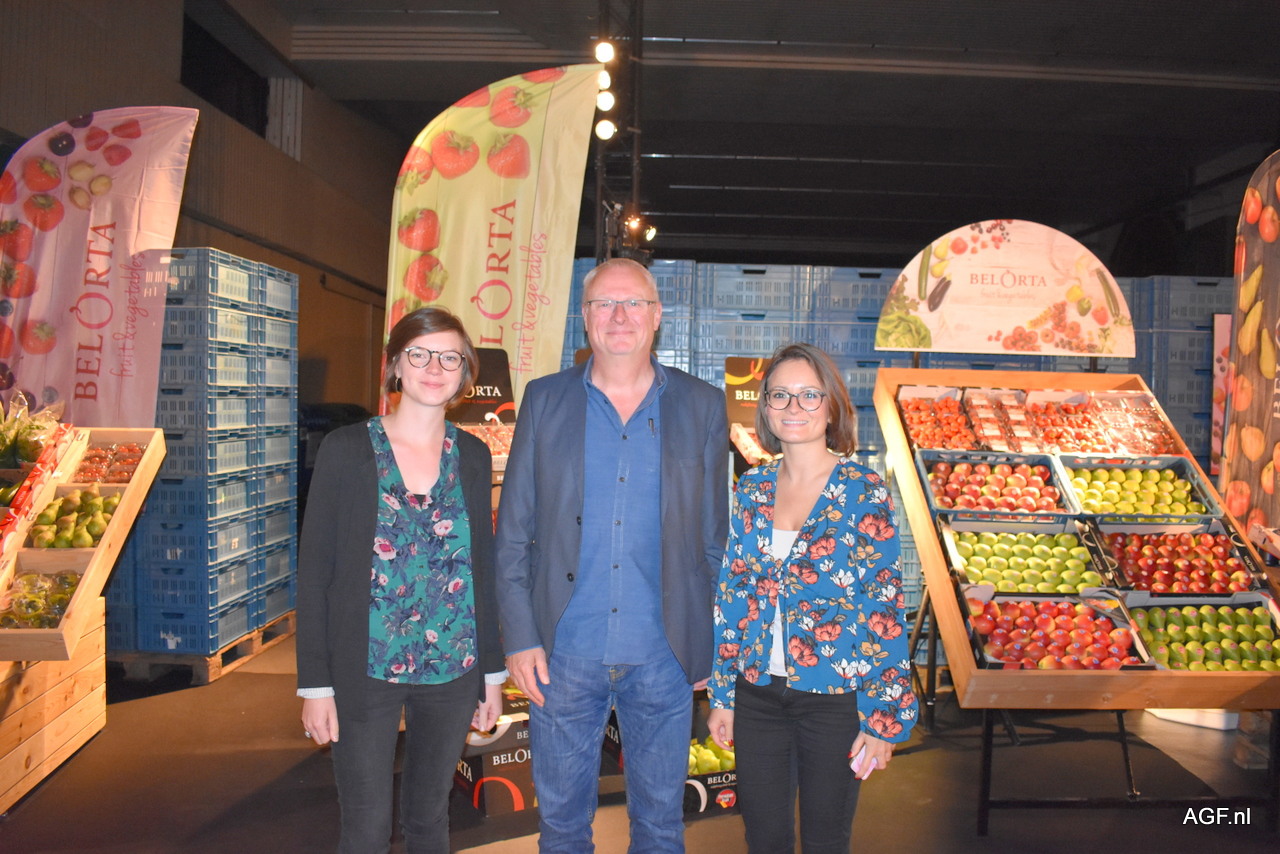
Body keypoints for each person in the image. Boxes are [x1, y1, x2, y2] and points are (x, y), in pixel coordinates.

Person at [495, 257, 730, 852]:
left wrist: (713, 646)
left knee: (660, 827)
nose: (619, 316)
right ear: (585, 317)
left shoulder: (702, 405)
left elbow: (713, 539)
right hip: (561, 655)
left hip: (665, 656)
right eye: (604, 303)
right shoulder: (544, 400)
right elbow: (514, 532)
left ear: (657, 316)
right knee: (562, 829)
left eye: (633, 303)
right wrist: (520, 638)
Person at [296, 307, 506, 854]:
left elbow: (481, 567)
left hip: (454, 666)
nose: (434, 368)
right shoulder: (346, 450)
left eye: (449, 357)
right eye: (419, 354)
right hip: (364, 667)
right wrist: (315, 685)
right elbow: (315, 570)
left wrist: (491, 673)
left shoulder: (473, 455)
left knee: (430, 818)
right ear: (394, 365)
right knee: (366, 828)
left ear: (465, 373)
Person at [707, 342, 917, 854]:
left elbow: (884, 607)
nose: (793, 407)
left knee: (826, 839)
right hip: (757, 695)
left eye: (809, 394)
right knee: (764, 838)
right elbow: (734, 595)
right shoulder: (753, 488)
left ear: (831, 406)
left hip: (835, 700)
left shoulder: (863, 490)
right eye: (780, 395)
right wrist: (723, 695)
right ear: (765, 407)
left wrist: (883, 718)